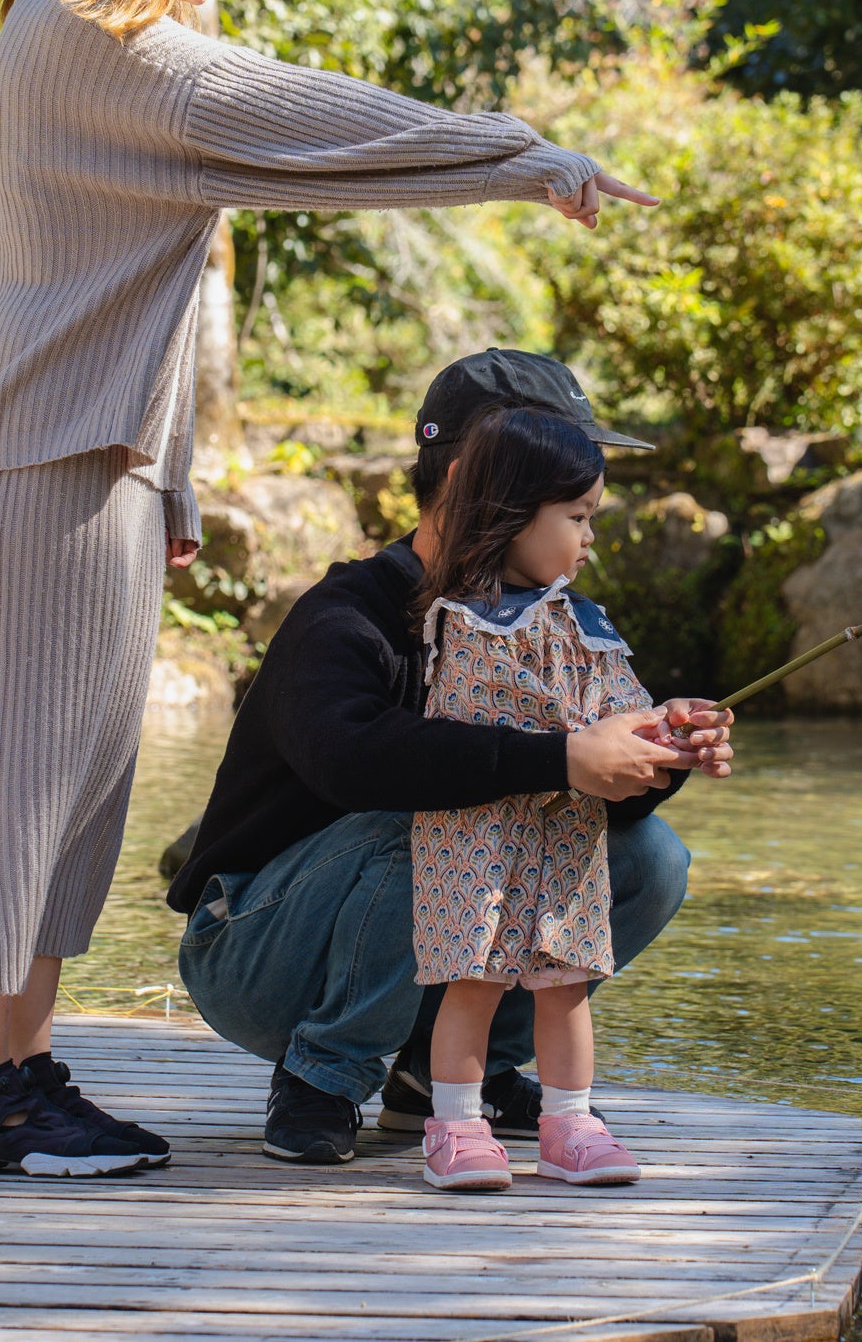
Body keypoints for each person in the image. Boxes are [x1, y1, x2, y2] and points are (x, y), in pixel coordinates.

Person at [0, 0, 657, 1181]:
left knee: (72, 787)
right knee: (10, 786)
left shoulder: (101, 18)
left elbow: (135, 284)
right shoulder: (105, 45)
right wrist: (519, 157)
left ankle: (16, 1065)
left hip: (94, 450)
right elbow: (322, 125)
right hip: (41, 449)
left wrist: (173, 479)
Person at [166, 350, 734, 1165]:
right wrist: (563, 756)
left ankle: (446, 1079)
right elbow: (356, 762)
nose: (588, 529)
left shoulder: (564, 621)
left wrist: (655, 750)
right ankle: (322, 1072)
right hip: (256, 951)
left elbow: (585, 789)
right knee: (437, 818)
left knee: (650, 856)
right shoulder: (349, 613)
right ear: (478, 481)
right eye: (571, 498)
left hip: (421, 926)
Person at [408, 408, 652, 1192]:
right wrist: (582, 742)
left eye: (592, 519)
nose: (588, 538)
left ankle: (570, 1120)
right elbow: (497, 711)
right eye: (576, 517)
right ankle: (456, 1122)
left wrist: (667, 727)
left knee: (567, 978)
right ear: (514, 513)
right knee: (473, 977)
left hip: (565, 835)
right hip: (478, 834)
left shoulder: (588, 621)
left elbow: (622, 699)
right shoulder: (463, 620)